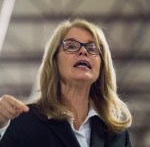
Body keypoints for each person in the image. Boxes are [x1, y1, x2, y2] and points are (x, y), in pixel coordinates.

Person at [0, 18, 132, 147]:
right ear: (54, 61)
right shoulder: (25, 121)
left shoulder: (117, 132)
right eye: (71, 46)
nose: (83, 51)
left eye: (92, 48)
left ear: (102, 65)